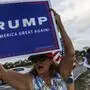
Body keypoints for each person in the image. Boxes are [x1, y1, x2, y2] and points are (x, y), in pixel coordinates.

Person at [0, 9, 75, 90]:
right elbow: (3, 74)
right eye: (35, 60)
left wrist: (60, 25)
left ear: (50, 61)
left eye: (42, 59)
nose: (38, 63)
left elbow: (70, 53)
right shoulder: (30, 81)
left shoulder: (61, 74)